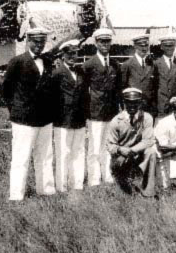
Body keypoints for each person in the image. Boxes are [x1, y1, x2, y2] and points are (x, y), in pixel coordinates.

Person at [2, 27, 56, 201]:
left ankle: (46, 191)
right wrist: (17, 111)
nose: (39, 45)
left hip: (45, 118)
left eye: (42, 41)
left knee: (46, 156)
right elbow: (7, 91)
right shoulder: (17, 62)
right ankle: (16, 196)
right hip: (24, 120)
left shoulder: (48, 61)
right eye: (36, 41)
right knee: (21, 158)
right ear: (28, 41)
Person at [82, 28, 120, 186]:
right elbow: (83, 91)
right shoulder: (89, 65)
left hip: (110, 112)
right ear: (95, 43)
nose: (105, 45)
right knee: (95, 146)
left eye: (107, 41)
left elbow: (118, 90)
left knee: (108, 145)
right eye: (101, 41)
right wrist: (86, 113)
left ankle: (107, 174)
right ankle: (94, 178)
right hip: (95, 112)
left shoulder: (115, 65)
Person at [106, 88, 159, 198]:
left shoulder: (147, 118)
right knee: (125, 193)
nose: (132, 106)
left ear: (140, 103)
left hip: (136, 154)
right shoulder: (116, 121)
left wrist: (131, 151)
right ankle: (123, 179)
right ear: (124, 103)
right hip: (121, 157)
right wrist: (120, 150)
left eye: (135, 103)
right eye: (129, 103)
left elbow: (148, 140)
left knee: (151, 152)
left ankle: (148, 192)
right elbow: (110, 145)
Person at [50, 39, 86, 193]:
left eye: (75, 53)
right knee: (63, 153)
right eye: (69, 54)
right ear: (63, 55)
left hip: (79, 120)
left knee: (78, 152)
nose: (73, 56)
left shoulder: (80, 72)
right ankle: (62, 186)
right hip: (63, 120)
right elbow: (52, 98)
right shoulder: (57, 73)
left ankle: (77, 184)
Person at [120, 34, 156, 116]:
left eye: (146, 45)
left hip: (149, 107)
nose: (144, 48)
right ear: (135, 46)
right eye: (141, 46)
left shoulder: (152, 64)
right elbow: (122, 86)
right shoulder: (127, 64)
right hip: (133, 106)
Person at [154, 35, 176, 116]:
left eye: (171, 45)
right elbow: (154, 84)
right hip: (161, 104)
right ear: (161, 47)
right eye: (166, 46)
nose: (169, 48)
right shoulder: (156, 63)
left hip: (175, 103)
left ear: (175, 46)